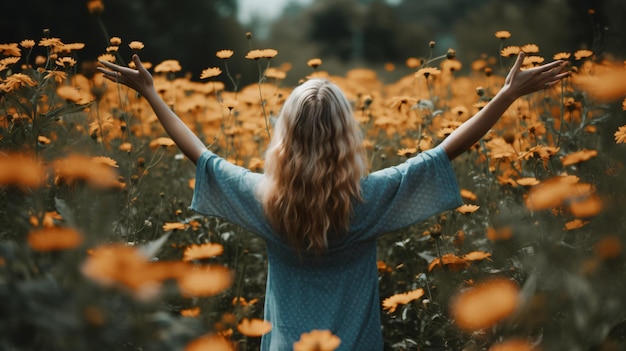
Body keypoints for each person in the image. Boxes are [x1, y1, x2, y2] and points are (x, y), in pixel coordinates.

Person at [98, 52, 567, 350]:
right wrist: (507, 95)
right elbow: (445, 151)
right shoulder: (369, 199)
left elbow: (199, 154)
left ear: (285, 137)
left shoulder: (264, 199)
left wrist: (151, 95)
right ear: (347, 137)